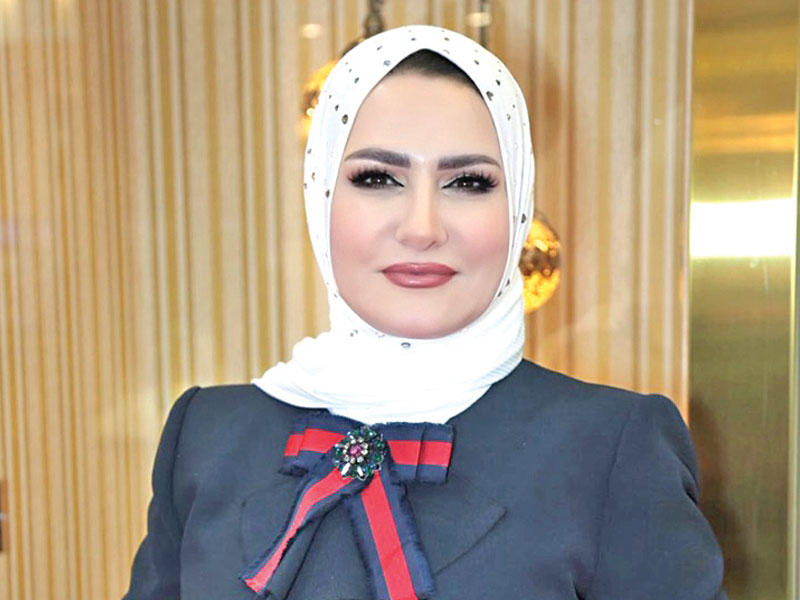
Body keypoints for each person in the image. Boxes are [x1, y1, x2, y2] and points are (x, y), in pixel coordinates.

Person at [123, 25, 727, 600]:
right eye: (377, 178)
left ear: (518, 206)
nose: (421, 227)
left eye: (467, 183)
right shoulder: (206, 437)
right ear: (321, 196)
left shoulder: (611, 449)